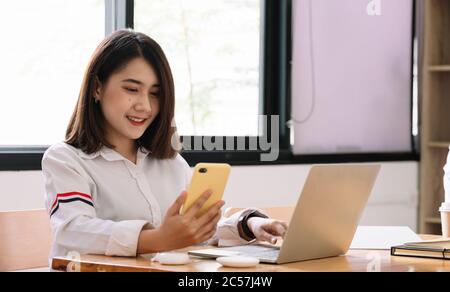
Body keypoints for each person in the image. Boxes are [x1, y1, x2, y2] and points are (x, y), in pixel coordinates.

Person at [42, 29, 287, 259]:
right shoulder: (66, 159)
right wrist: (158, 239)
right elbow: (73, 231)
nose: (145, 106)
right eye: (132, 89)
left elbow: (197, 231)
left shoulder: (171, 162)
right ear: (97, 87)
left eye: (155, 93)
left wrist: (249, 224)